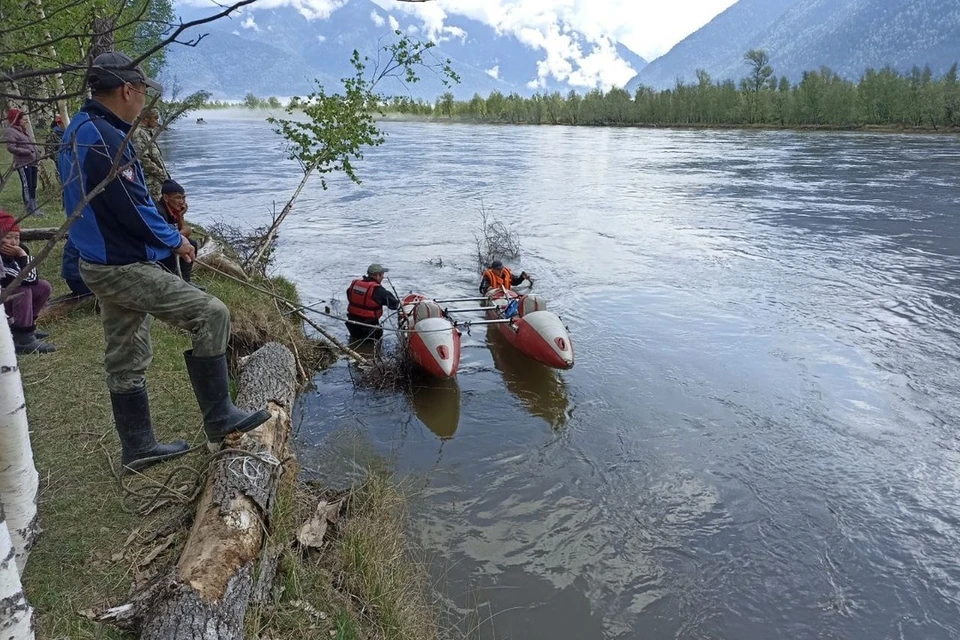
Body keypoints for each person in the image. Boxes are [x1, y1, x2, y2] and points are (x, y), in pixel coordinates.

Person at [57, 51, 270, 473]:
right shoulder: (104, 138)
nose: (144, 102)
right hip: (119, 264)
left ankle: (138, 447)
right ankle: (219, 417)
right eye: (142, 93)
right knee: (212, 314)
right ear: (127, 90)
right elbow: (132, 208)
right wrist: (176, 240)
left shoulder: (80, 128)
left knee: (126, 353)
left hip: (98, 259)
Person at [0, 210, 54, 354]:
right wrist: (23, 256)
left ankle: (26, 327)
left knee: (43, 287)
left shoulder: (13, 255)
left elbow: (33, 280)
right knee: (21, 290)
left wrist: (22, 255)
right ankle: (23, 337)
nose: (13, 242)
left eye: (17, 238)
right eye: (8, 237)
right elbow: (23, 279)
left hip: (6, 300)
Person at [157, 179, 200, 287]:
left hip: (167, 242)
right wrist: (183, 234)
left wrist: (181, 216)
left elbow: (180, 230)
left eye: (183, 197)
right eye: (178, 198)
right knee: (184, 247)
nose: (182, 202)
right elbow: (166, 235)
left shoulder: (173, 211)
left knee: (192, 244)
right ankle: (173, 281)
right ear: (166, 198)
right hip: (158, 247)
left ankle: (185, 281)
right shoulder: (159, 211)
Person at [4, 109, 43, 216]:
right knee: (27, 185)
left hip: (32, 162)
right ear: (16, 119)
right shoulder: (11, 131)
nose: (25, 120)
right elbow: (11, 147)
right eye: (22, 118)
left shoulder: (23, 131)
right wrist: (27, 152)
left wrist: (36, 152)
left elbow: (30, 144)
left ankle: (34, 207)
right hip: (23, 163)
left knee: (33, 185)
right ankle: (29, 209)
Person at [346, 263, 399, 342]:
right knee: (372, 347)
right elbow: (394, 305)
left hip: (352, 325)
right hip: (369, 327)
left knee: (354, 342)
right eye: (382, 275)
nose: (383, 277)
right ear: (377, 275)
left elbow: (348, 295)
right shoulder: (378, 290)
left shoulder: (354, 285)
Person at [132, 107, 168, 203]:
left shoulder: (147, 132)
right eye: (155, 118)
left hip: (156, 183)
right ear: (146, 118)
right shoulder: (138, 133)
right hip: (150, 183)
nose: (157, 121)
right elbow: (142, 159)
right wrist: (162, 175)